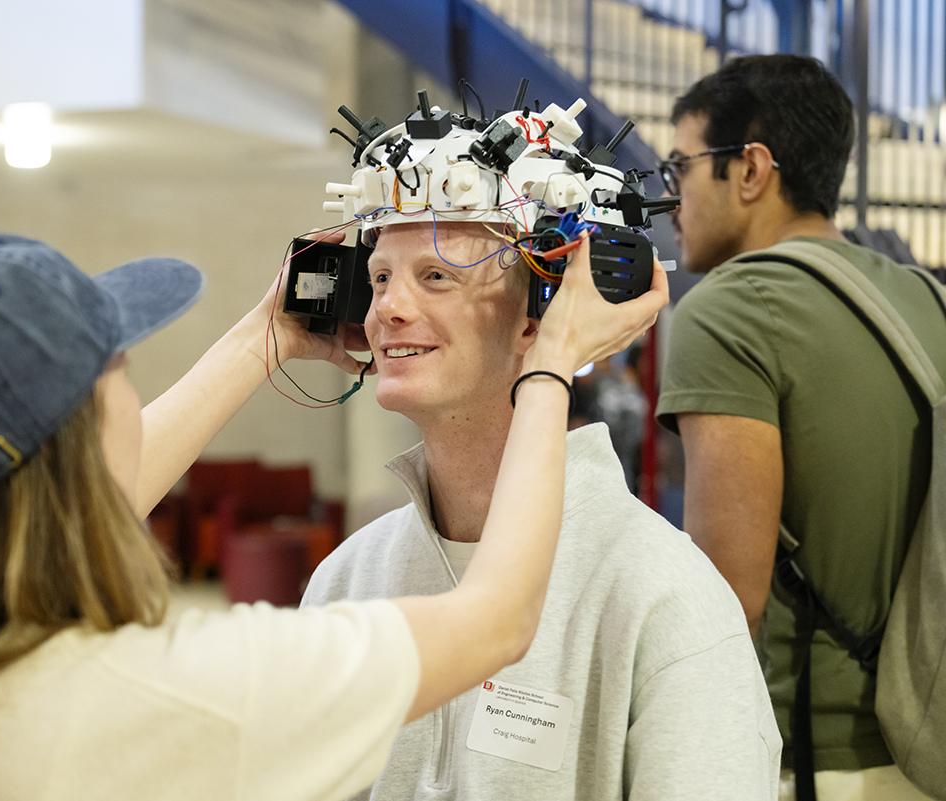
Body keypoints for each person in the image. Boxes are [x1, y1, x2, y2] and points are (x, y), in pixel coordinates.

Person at [0, 229, 664, 801]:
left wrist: (262, 339)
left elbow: (41, 505)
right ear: (82, 427)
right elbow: (498, 618)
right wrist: (554, 362)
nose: (394, 302)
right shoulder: (172, 691)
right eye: (119, 367)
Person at [301, 221, 781, 800]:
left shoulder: (663, 592)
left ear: (537, 320)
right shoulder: (347, 577)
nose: (388, 310)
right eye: (380, 278)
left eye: (435, 277)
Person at [656, 54, 946, 800]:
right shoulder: (925, 298)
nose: (670, 196)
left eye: (680, 165)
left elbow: (723, 600)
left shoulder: (730, 309)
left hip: (811, 758)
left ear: (750, 168)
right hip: (927, 739)